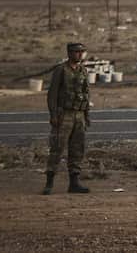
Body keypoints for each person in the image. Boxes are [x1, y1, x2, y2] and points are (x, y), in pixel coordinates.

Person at [44, 41, 91, 195]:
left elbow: (86, 93)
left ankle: (74, 183)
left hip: (79, 115)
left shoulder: (83, 71)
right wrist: (53, 115)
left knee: (77, 149)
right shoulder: (61, 70)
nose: (80, 54)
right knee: (57, 148)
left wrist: (86, 115)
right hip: (64, 114)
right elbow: (52, 94)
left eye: (81, 52)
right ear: (69, 53)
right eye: (77, 52)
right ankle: (49, 183)